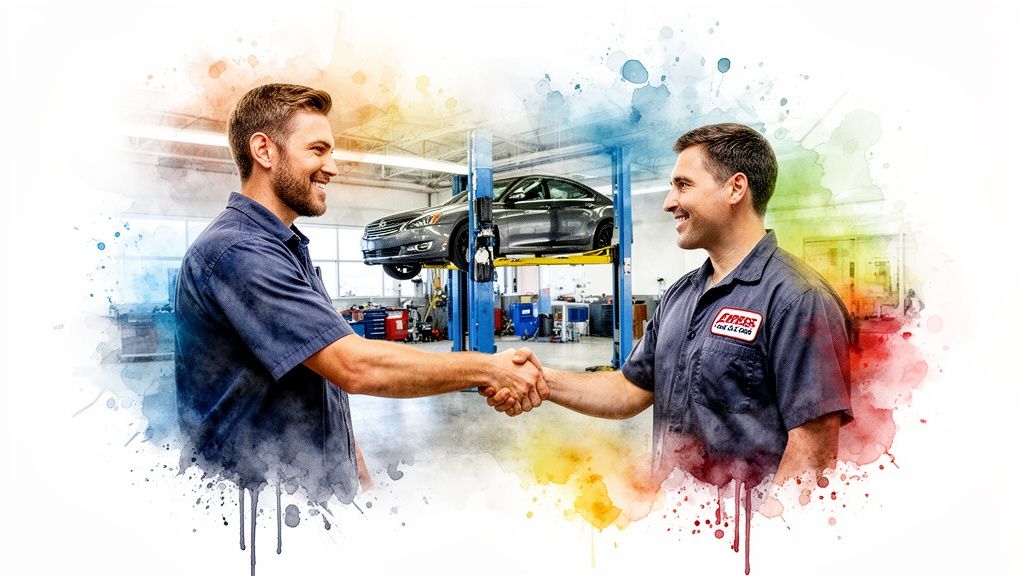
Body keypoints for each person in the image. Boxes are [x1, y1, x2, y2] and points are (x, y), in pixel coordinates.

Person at [174, 83, 546, 504]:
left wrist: (358, 479)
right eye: (317, 150)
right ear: (264, 151)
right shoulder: (238, 252)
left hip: (308, 498)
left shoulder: (285, 247)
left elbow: (325, 381)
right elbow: (355, 366)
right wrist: (490, 368)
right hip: (259, 510)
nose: (331, 167)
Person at [487, 123, 852, 488]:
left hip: (740, 532)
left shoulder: (798, 299)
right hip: (673, 520)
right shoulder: (681, 296)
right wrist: (539, 379)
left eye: (683, 185)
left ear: (735, 188)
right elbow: (629, 390)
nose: (668, 202)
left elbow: (812, 454)